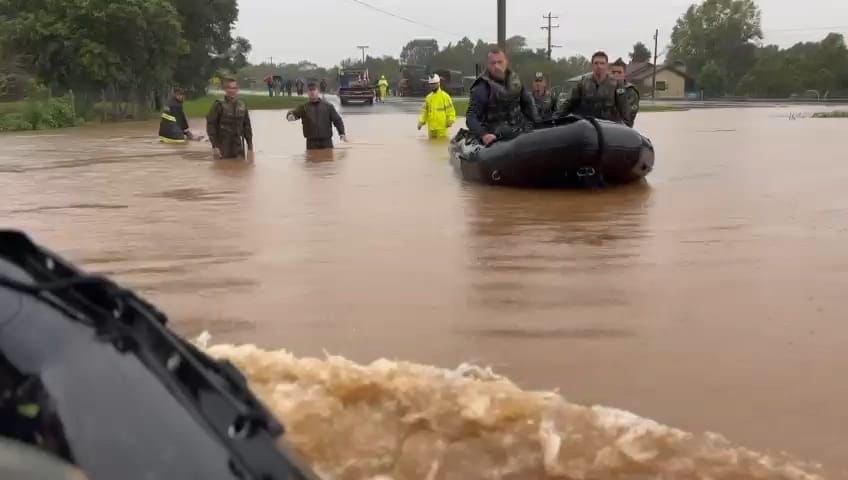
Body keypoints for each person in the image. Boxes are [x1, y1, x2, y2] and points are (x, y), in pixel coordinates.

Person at [466, 47, 539, 146]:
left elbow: (528, 106)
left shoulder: (516, 82)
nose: (496, 66)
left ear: (506, 62)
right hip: (496, 135)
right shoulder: (481, 87)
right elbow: (471, 117)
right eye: (493, 63)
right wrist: (484, 135)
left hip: (519, 130)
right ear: (488, 65)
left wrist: (537, 125)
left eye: (499, 62)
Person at [562, 51, 629, 124]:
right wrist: (555, 120)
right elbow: (568, 104)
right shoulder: (582, 83)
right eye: (596, 63)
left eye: (602, 63)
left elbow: (624, 110)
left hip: (609, 126)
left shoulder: (617, 84)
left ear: (607, 66)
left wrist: (627, 129)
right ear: (592, 65)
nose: (599, 66)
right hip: (587, 125)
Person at [286, 80, 347, 150]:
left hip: (326, 141)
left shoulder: (328, 106)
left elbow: (337, 120)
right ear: (308, 93)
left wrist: (342, 133)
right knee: (311, 159)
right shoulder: (304, 107)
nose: (312, 92)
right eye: (310, 90)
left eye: (314, 90)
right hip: (311, 142)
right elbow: (293, 113)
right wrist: (290, 116)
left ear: (318, 91)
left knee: (328, 160)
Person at [206, 78, 253, 160]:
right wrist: (215, 146)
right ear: (225, 89)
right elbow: (211, 126)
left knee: (241, 170)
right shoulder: (219, 105)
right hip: (223, 146)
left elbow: (247, 127)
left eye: (234, 88)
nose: (232, 90)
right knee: (222, 170)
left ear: (237, 89)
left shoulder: (242, 105)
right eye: (230, 88)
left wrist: (250, 147)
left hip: (238, 146)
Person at [417, 74, 456, 139]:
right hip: (431, 128)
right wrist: (421, 122)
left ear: (438, 83)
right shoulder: (428, 98)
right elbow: (424, 112)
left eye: (435, 84)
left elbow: (451, 110)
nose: (433, 86)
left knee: (441, 146)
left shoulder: (445, 96)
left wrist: (450, 120)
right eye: (431, 84)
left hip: (442, 128)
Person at [610, 58, 639, 127]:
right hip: (605, 128)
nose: (616, 75)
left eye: (619, 72)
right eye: (613, 72)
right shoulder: (605, 88)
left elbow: (629, 117)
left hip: (623, 129)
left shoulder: (630, 91)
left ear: (624, 74)